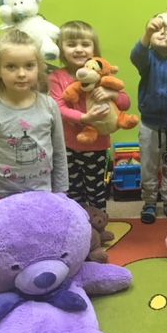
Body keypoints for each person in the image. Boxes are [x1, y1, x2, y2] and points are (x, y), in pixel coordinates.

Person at [0, 29, 68, 268]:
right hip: (2, 196)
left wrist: (61, 193)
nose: (21, 73)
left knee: (39, 244)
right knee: (7, 250)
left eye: (29, 65)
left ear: (39, 67)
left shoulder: (49, 106)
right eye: (11, 66)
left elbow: (59, 153)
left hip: (42, 193)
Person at [48, 20, 131, 212]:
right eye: (71, 44)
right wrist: (84, 119)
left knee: (96, 190)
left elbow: (125, 103)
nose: (79, 49)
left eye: (85, 44)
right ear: (61, 49)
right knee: (72, 190)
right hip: (67, 146)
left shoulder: (102, 75)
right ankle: (77, 223)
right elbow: (58, 107)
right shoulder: (57, 77)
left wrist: (112, 94)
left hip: (96, 146)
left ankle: (98, 222)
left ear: (94, 48)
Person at [130, 14, 167, 224]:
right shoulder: (148, 59)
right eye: (157, 30)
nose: (163, 32)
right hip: (149, 123)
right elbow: (136, 55)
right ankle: (149, 202)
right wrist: (147, 33)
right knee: (148, 166)